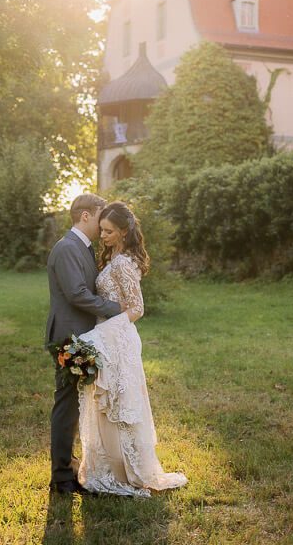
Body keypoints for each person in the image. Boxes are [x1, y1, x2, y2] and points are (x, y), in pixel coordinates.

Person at [76, 201, 187, 497]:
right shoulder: (112, 256)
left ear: (124, 232)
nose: (103, 236)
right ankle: (110, 467)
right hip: (108, 337)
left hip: (117, 338)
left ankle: (127, 472)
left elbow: (137, 308)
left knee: (120, 403)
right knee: (108, 403)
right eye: (101, 230)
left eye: (109, 231)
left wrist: (102, 333)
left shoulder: (124, 262)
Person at [46, 193, 122, 495]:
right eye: (101, 214)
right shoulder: (67, 248)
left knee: (78, 405)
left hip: (82, 336)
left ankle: (71, 469)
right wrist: (115, 308)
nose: (104, 221)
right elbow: (77, 293)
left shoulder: (84, 248)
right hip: (69, 338)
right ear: (86, 216)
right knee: (67, 405)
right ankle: (61, 478)